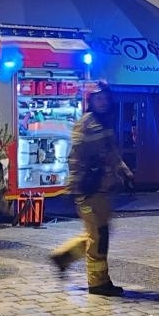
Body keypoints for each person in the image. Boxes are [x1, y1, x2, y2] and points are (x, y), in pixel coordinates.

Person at [50, 82, 134, 297]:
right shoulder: (85, 125)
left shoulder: (104, 123)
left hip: (102, 188)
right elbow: (75, 158)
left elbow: (111, 152)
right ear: (91, 101)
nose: (103, 101)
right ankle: (98, 283)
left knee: (99, 233)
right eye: (98, 98)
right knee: (99, 235)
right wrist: (73, 188)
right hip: (88, 189)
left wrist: (124, 171)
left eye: (105, 97)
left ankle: (65, 256)